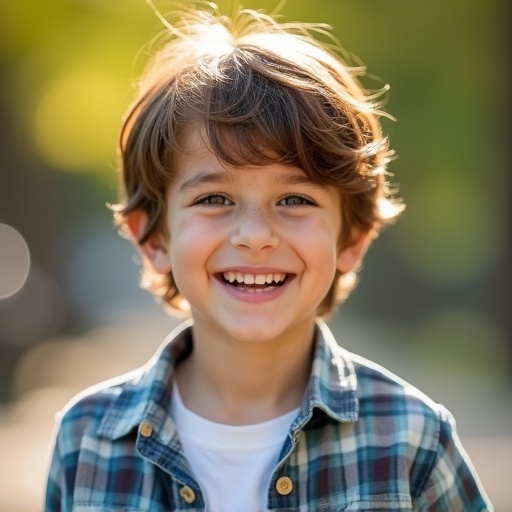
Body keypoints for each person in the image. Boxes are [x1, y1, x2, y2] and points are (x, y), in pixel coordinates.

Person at [44, 2, 493, 511]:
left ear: (353, 239)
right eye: (214, 199)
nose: (255, 236)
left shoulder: (413, 439)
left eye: (295, 200)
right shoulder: (86, 440)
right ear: (154, 240)